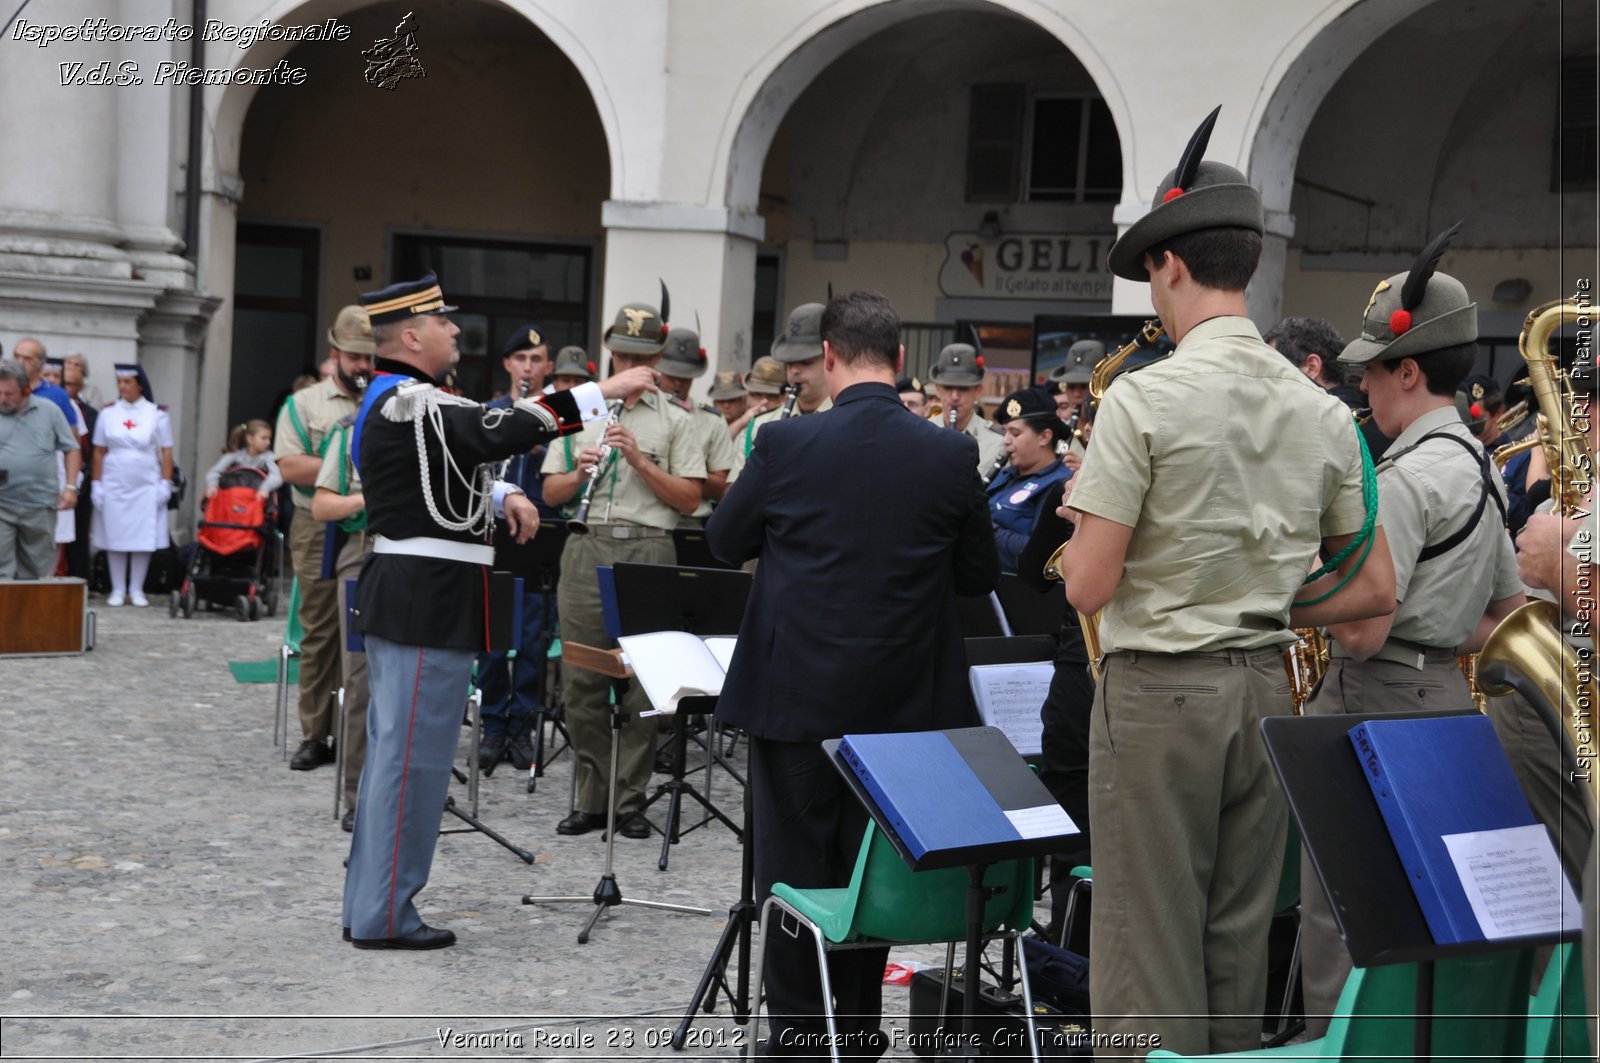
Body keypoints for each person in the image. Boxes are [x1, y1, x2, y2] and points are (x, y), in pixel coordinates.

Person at [1056, 107, 1396, 1058]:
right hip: (1266, 687)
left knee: (1142, 951)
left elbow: (1087, 585)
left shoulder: (1142, 396)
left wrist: (1097, 532)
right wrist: (1271, 593)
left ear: (1169, 265)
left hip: (1161, 690)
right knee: (1237, 943)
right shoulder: (1321, 409)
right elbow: (1372, 588)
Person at [707, 289, 999, 1059]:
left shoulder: (784, 444)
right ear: (900, 360)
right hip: (903, 710)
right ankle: (859, 1030)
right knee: (872, 878)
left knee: (796, 872)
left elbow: (721, 538)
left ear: (827, 358)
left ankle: (802, 1037)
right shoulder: (948, 452)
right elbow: (976, 574)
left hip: (795, 697)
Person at [342, 273, 649, 949]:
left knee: (401, 755)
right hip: (425, 596)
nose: (456, 330)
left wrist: (497, 498)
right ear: (413, 335)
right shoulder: (406, 400)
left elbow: (441, 477)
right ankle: (385, 914)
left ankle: (371, 902)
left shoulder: (408, 402)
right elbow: (493, 428)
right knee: (413, 761)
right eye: (444, 322)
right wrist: (604, 392)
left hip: (422, 592)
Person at [1289, 226, 1529, 1032]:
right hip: (1444, 708)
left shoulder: (1401, 477)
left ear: (1409, 369)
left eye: (1369, 372)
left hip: (1369, 702)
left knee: (1341, 915)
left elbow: (1359, 630)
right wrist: (1435, 629)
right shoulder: (1480, 466)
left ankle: (1335, 1047)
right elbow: (1498, 616)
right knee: (1429, 916)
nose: (1363, 389)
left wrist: (1289, 601)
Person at [541, 299, 705, 839]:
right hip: (587, 546)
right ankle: (594, 796)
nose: (628, 362)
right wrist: (578, 471)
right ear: (609, 351)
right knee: (582, 677)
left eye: (639, 354)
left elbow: (688, 500)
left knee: (645, 683)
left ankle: (630, 800)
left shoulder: (676, 419)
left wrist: (638, 460)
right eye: (621, 352)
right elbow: (550, 491)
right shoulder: (579, 411)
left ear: (656, 357)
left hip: (649, 549)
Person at [275, 305, 374, 772]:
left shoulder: (385, 398)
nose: (362, 365)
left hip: (373, 523)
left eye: (369, 357)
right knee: (319, 630)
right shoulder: (304, 404)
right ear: (334, 354)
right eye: (354, 356)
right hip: (316, 526)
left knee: (366, 631)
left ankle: (361, 732)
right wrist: (350, 466)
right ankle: (317, 734)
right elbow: (291, 466)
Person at [476, 324, 562, 773]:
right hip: (494, 536)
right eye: (521, 360)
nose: (528, 367)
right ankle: (492, 725)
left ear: (547, 367)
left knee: (533, 637)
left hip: (539, 534)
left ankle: (523, 726)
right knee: (493, 639)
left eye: (536, 361)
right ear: (509, 364)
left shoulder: (554, 417)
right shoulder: (489, 413)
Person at [309, 404, 373, 833]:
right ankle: (358, 796)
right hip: (364, 549)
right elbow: (323, 505)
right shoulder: (350, 430)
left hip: (421, 557)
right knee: (361, 679)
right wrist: (369, 498)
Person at [90, 365, 174, 606]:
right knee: (115, 533)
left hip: (145, 481)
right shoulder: (108, 413)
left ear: (140, 384)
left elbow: (166, 452)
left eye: (128, 382)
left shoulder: (156, 414)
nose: (123, 387)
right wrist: (97, 483)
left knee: (142, 535)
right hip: (115, 479)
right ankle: (117, 588)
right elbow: (98, 451)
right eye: (120, 382)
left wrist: (165, 483)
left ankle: (136, 588)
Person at [728, 306, 833, 483]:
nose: (794, 371)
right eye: (789, 363)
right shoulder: (761, 424)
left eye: (805, 362)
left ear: (830, 358)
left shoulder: (848, 418)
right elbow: (736, 494)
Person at [0, 361, 80, 579]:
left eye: (9, 394)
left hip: (39, 504)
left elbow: (72, 448)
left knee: (36, 571)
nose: (2, 399)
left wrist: (71, 487)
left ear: (26, 390)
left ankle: (28, 613)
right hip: (2, 504)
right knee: (1, 569)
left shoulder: (50, 411)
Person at [986, 386, 1070, 573]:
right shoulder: (1006, 474)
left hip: (1017, 592)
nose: (1006, 441)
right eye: (1005, 432)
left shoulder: (1060, 485)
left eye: (1015, 433)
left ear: (1044, 436)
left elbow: (1039, 551)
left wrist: (984, 528)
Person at [657, 327, 736, 523]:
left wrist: (689, 473)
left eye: (684, 377)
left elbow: (721, 488)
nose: (678, 383)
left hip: (691, 520)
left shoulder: (713, 420)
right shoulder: (643, 412)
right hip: (648, 520)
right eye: (671, 375)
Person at [927, 340, 1005, 474]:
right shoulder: (922, 433)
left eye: (963, 388)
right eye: (948, 387)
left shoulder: (997, 442)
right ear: (938, 390)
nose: (955, 396)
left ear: (978, 391)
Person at [61, 354, 98, 579]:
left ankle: (80, 578)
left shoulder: (90, 413)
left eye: (77, 367)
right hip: (55, 476)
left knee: (79, 531)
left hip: (82, 477)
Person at [204, 420, 282, 500]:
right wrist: (212, 485)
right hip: (233, 499)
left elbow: (277, 476)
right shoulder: (235, 455)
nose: (268, 442)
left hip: (257, 500)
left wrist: (265, 488)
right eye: (264, 438)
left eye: (269, 439)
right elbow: (214, 471)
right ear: (250, 439)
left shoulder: (270, 457)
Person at [727, 355, 785, 443]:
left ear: (785, 397)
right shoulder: (741, 423)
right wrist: (741, 423)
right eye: (757, 394)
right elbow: (719, 444)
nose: (764, 402)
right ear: (746, 396)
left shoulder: (792, 422)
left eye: (772, 396)